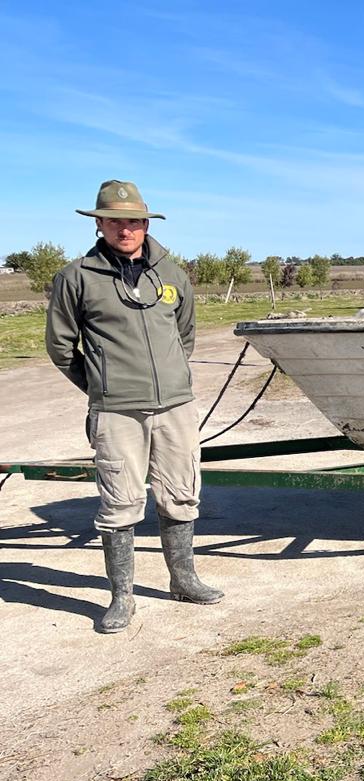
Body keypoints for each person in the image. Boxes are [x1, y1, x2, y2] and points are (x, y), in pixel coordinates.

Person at [46, 180, 223, 633]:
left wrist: (171, 377)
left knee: (181, 492)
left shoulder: (171, 273)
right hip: (117, 410)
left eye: (134, 221)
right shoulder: (76, 277)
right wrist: (102, 387)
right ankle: (121, 596)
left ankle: (183, 579)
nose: (126, 229)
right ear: (99, 224)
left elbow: (184, 334)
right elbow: (62, 347)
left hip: (175, 407)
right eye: (115, 221)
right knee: (120, 502)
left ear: (146, 224)